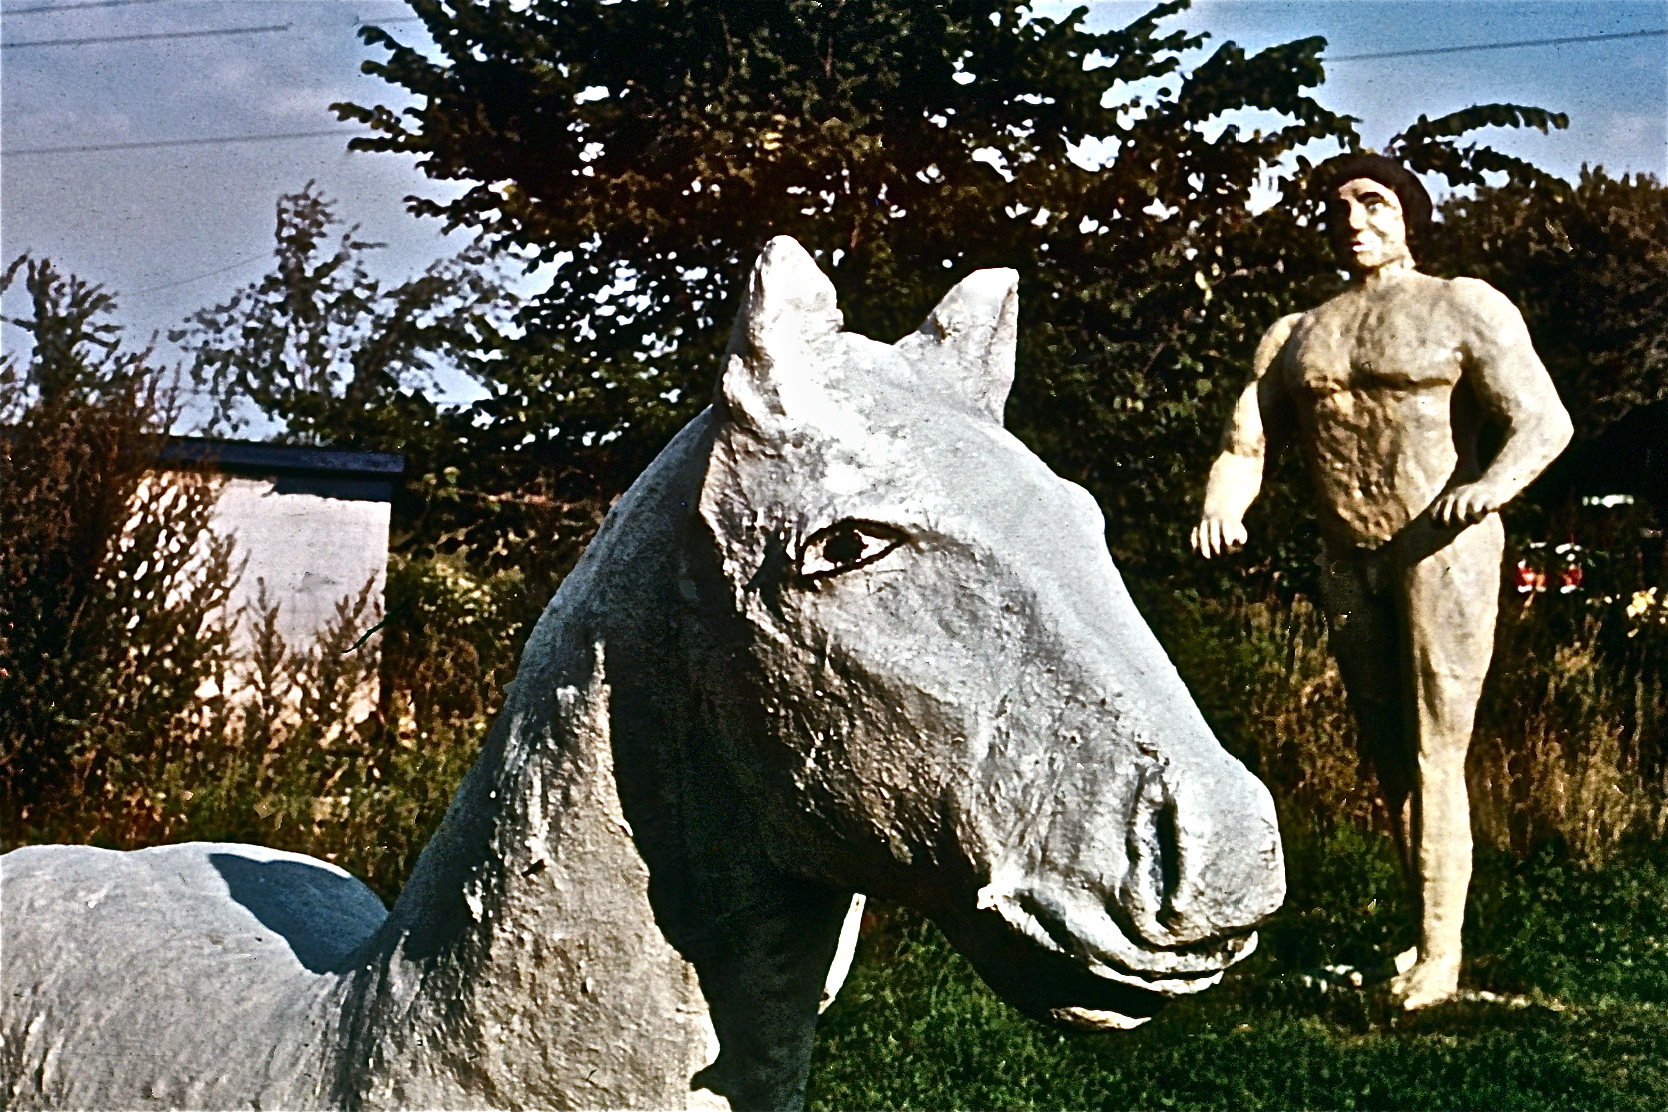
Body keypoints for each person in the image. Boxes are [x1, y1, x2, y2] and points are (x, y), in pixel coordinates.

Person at [1192, 154, 1572, 1009]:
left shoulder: (1461, 304)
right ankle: (1419, 938)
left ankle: (1443, 957)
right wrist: (1225, 505)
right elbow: (1245, 443)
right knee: (1391, 755)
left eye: (1372, 201)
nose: (1353, 219)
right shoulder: (1296, 334)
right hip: (1348, 556)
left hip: (1443, 546)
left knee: (1439, 750)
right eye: (1338, 207)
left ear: (1409, 214)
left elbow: (1543, 420)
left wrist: (1488, 487)